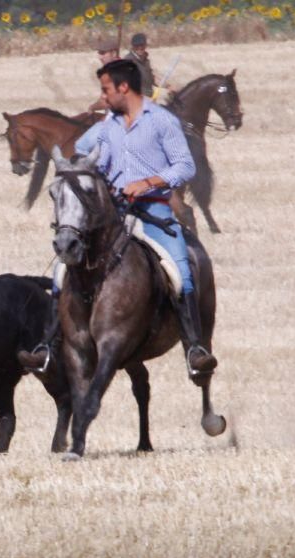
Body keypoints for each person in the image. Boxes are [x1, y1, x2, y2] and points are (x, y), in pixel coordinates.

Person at [19, 59, 217, 376]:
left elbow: (184, 167)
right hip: (110, 215)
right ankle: (47, 345)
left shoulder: (162, 121)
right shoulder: (105, 127)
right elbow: (77, 153)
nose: (103, 95)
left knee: (181, 270)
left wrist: (148, 182)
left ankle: (194, 347)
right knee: (61, 270)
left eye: (106, 89)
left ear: (123, 88)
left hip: (153, 211)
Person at [124, 33, 155, 98]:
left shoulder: (146, 60)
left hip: (149, 98)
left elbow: (151, 78)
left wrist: (167, 86)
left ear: (145, 45)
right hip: (136, 100)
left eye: (142, 45)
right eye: (137, 45)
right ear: (132, 46)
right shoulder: (128, 61)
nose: (140, 47)